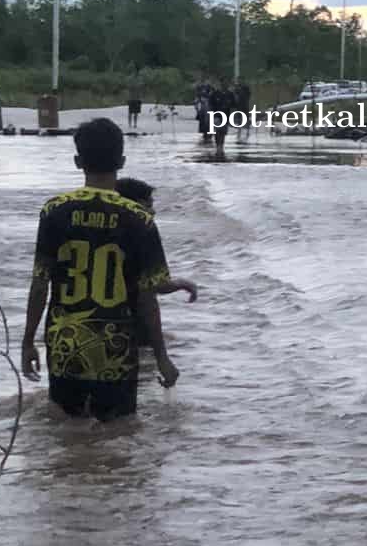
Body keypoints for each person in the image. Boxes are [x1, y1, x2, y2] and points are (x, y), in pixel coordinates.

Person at [22, 118, 183, 419]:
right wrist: (162, 357)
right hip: (117, 350)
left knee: (65, 435)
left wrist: (28, 342)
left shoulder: (54, 211)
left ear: (77, 161)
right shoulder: (140, 219)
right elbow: (147, 297)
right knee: (118, 437)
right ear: (121, 161)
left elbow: (40, 283)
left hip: (64, 345)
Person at [115, 176, 197, 388]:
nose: (152, 211)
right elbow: (151, 290)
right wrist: (162, 357)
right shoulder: (141, 227)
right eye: (148, 204)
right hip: (130, 327)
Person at [208, 77, 237, 153]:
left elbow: (233, 106)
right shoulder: (215, 94)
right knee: (217, 131)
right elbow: (210, 104)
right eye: (223, 83)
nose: (225, 85)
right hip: (216, 116)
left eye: (226, 83)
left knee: (223, 132)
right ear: (220, 84)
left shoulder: (230, 94)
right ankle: (218, 146)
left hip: (226, 116)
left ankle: (221, 145)